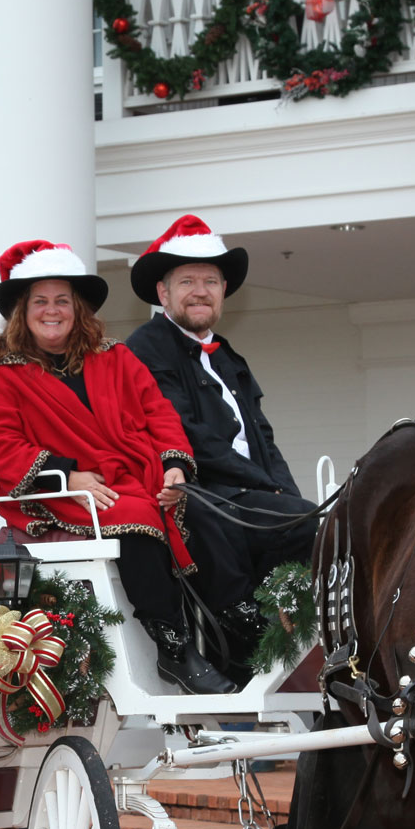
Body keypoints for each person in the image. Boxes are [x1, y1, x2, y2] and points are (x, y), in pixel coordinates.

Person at [0, 240, 235, 695]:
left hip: (133, 477)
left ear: (78, 308)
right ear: (22, 312)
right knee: (138, 520)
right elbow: (0, 447)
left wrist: (174, 466)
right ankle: (174, 649)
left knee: (209, 513)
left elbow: (159, 413)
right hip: (59, 495)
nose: (52, 311)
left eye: (62, 301)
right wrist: (67, 474)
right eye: (41, 302)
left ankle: (231, 636)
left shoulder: (115, 357)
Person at [123, 215, 320, 673]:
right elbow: (188, 434)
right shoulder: (145, 349)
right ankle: (248, 642)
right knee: (309, 527)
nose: (200, 291)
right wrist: (270, 494)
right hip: (201, 488)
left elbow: (264, 439)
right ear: (162, 293)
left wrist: (287, 495)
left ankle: (295, 638)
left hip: (252, 493)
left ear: (224, 291)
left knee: (312, 520)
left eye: (210, 281)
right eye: (187, 280)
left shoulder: (228, 355)